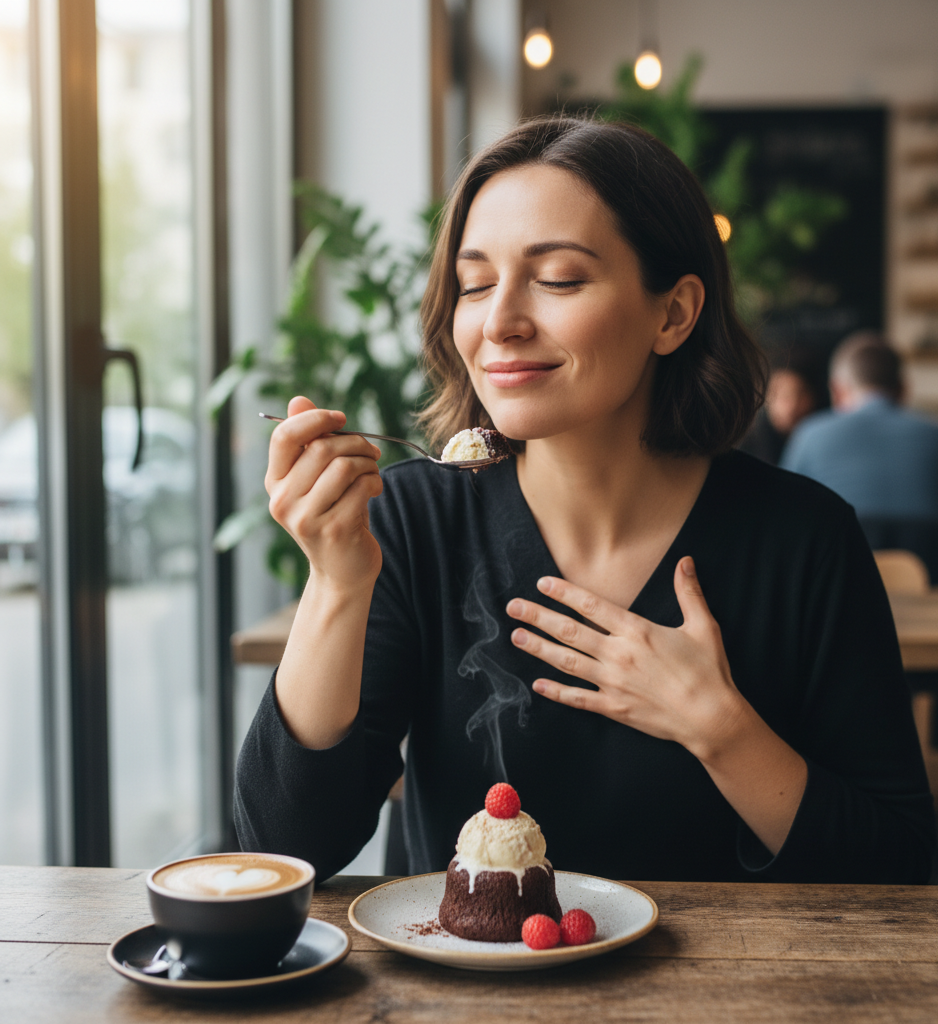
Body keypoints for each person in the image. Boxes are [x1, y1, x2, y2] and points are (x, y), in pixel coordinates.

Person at [235, 117, 935, 885]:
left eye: (558, 278)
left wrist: (721, 729)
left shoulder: (806, 540)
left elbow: (900, 867)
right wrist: (335, 585)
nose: (498, 322)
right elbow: (284, 847)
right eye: (474, 285)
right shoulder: (412, 522)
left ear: (672, 313)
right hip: (465, 1003)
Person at [781, 333, 938, 580]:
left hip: (839, 583)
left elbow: (785, 517)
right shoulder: (933, 434)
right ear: (903, 388)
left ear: (837, 389)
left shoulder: (810, 434)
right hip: (928, 587)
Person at [737, 345, 826, 465]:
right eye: (782, 394)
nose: (791, 406)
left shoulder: (825, 441)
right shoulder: (746, 446)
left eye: (800, 394)